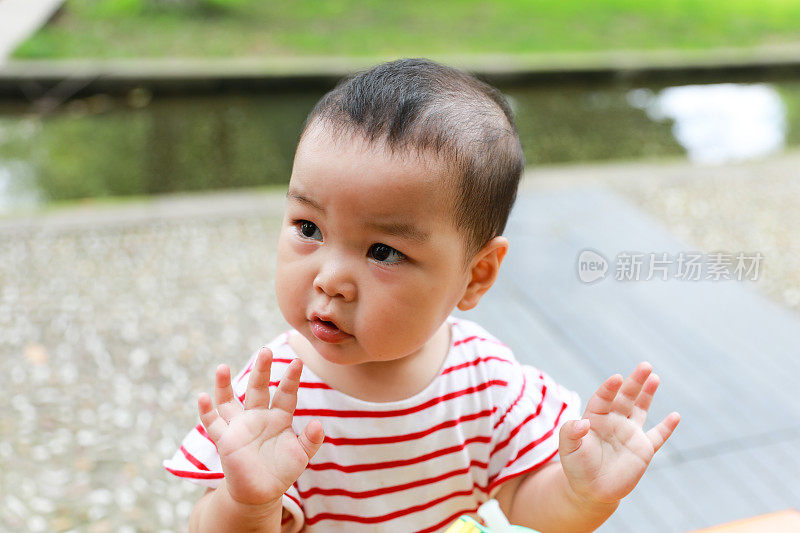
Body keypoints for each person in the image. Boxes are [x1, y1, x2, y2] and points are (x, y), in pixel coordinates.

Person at [163, 58, 680, 532]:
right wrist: (249, 501)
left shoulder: (486, 380)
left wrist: (585, 494)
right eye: (308, 226)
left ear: (475, 276)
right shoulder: (276, 399)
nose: (329, 279)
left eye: (383, 252)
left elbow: (527, 498)